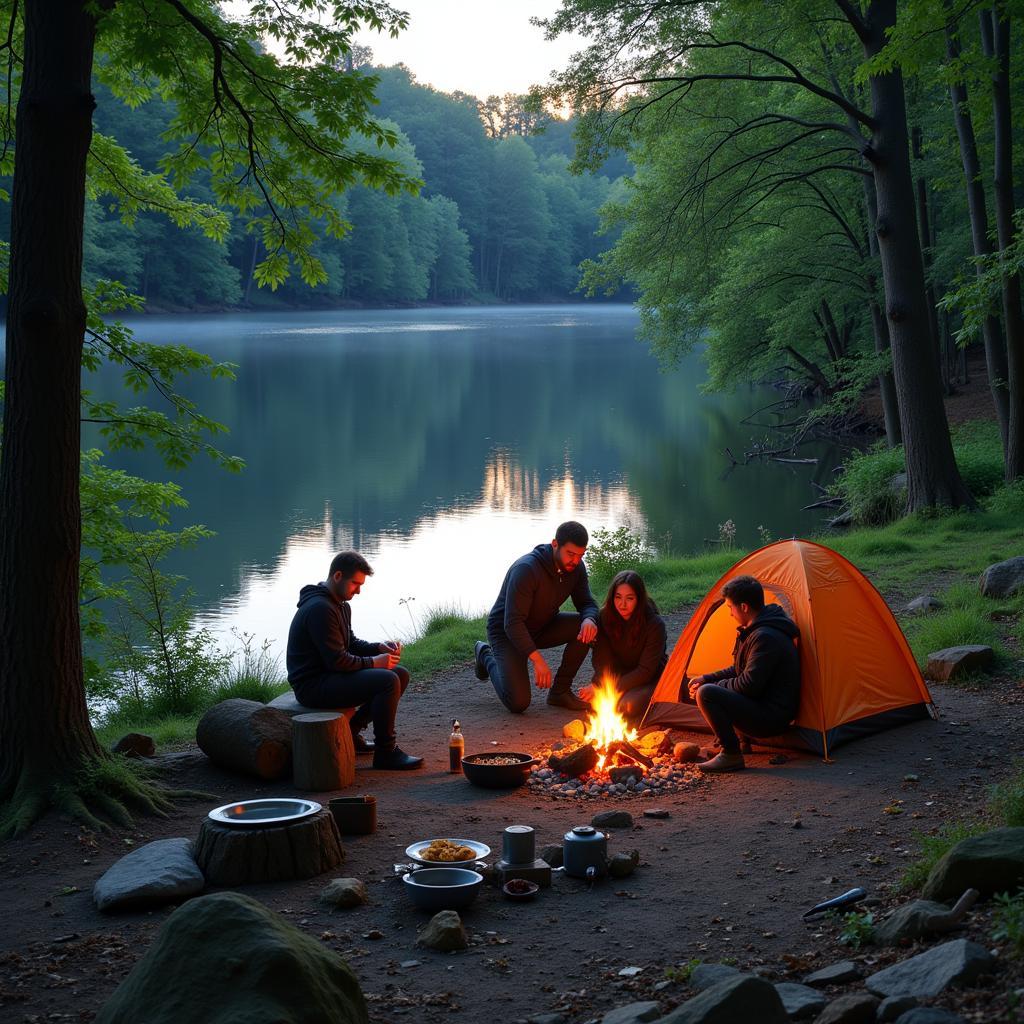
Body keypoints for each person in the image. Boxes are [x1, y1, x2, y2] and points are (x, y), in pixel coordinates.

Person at [286, 550, 423, 770]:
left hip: (330, 676)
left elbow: (350, 643)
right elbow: (337, 661)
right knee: (387, 681)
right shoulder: (319, 608)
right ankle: (386, 752)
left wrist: (377, 648)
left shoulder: (340, 605)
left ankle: (352, 731)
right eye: (355, 584)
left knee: (400, 674)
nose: (358, 591)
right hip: (312, 685)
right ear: (337, 576)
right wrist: (374, 663)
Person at [473, 521, 599, 714]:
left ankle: (560, 692)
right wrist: (537, 659)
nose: (575, 560)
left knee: (584, 627)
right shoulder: (527, 569)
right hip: (507, 633)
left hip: (542, 626)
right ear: (555, 544)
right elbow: (512, 623)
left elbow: (587, 603)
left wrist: (589, 619)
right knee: (518, 702)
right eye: (571, 554)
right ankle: (485, 654)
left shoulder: (576, 568)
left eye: (580, 555)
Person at [687, 574, 800, 773]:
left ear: (744, 607)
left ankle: (730, 754)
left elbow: (749, 685)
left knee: (707, 694)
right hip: (761, 705)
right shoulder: (755, 629)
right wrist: (707, 678)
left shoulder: (765, 637)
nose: (730, 613)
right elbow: (738, 670)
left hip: (772, 717)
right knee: (708, 688)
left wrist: (709, 688)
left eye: (730, 607)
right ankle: (741, 741)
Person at [584, 570, 667, 722]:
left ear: (639, 599)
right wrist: (600, 684)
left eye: (629, 598)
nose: (622, 605)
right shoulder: (604, 617)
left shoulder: (654, 624)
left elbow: (645, 671)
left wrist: (606, 688)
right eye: (618, 597)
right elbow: (602, 660)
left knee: (626, 706)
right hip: (620, 675)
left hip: (649, 678)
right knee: (597, 705)